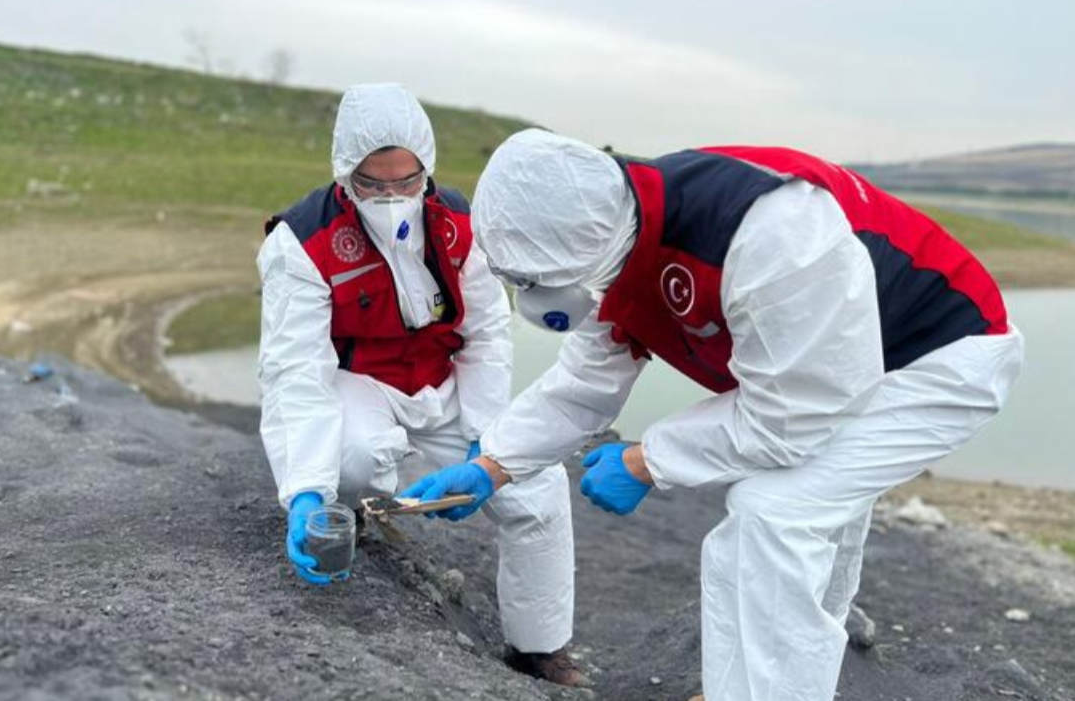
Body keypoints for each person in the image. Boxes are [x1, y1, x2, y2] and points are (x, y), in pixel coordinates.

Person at [401, 128, 1024, 701]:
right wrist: (492, 464)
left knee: (775, 511)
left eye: (538, 281)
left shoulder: (768, 236)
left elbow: (793, 417)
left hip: (937, 358)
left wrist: (649, 459)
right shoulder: (614, 244)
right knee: (806, 509)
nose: (536, 300)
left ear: (579, 248)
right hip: (842, 371)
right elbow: (583, 384)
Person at [256, 88, 586, 687]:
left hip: (447, 383)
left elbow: (487, 335)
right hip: (361, 383)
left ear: (425, 171)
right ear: (344, 174)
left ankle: (538, 648)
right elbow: (295, 370)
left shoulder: (461, 227)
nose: (391, 199)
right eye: (373, 185)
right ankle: (344, 508)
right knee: (350, 461)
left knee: (538, 487)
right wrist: (305, 489)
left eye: (405, 183)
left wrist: (486, 447)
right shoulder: (301, 245)